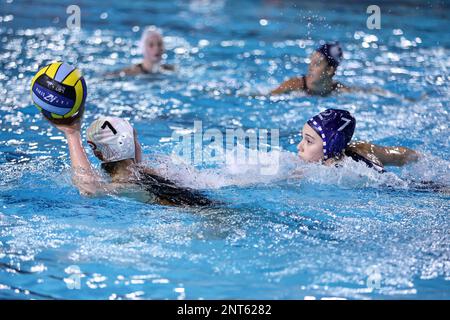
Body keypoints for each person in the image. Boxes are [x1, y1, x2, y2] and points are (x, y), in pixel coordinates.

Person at [48, 115, 212, 207]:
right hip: (209, 206)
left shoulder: (124, 185)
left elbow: (89, 190)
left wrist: (71, 133)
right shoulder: (153, 170)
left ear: (98, 154)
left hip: (201, 219)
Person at [297, 108, 419, 172]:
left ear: (331, 145)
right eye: (302, 138)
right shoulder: (361, 147)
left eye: (309, 141)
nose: (299, 147)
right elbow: (401, 154)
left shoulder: (345, 171)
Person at [271, 42, 350, 96]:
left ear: (329, 70)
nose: (310, 68)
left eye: (316, 64)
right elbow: (269, 95)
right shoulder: (293, 85)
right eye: (310, 62)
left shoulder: (339, 90)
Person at [107, 26, 174, 77]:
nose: (156, 48)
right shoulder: (131, 72)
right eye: (151, 45)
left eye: (159, 44)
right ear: (143, 48)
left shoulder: (169, 69)